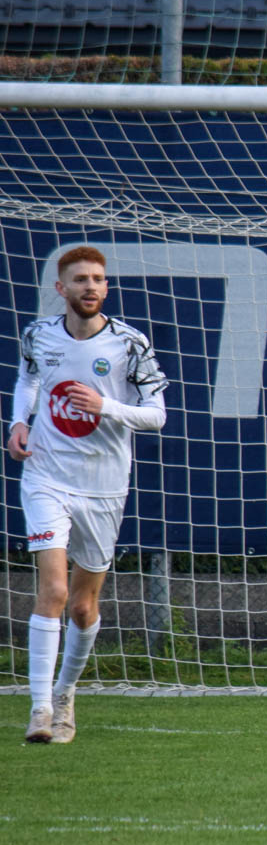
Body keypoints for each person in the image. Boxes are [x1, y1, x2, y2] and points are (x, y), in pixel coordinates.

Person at [9, 246, 168, 743]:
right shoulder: (39, 335)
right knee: (54, 591)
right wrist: (18, 422)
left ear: (106, 287)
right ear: (62, 288)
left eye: (98, 279)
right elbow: (29, 378)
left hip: (103, 486)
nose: (91, 287)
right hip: (46, 476)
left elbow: (157, 415)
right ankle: (39, 709)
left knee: (82, 607)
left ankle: (65, 694)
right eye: (80, 279)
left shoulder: (129, 344)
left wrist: (106, 406)